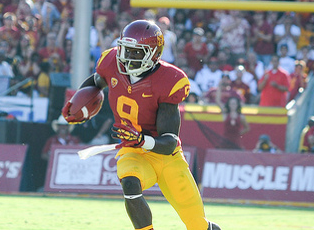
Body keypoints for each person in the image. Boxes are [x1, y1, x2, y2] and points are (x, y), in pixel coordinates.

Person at [62, 20, 221, 230]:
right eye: (125, 49)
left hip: (166, 157)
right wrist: (78, 103)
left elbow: (168, 142)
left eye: (135, 52)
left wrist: (140, 139)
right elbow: (97, 80)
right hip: (133, 152)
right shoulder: (111, 62)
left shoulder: (169, 80)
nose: (126, 57)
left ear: (153, 54)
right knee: (130, 183)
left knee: (197, 225)